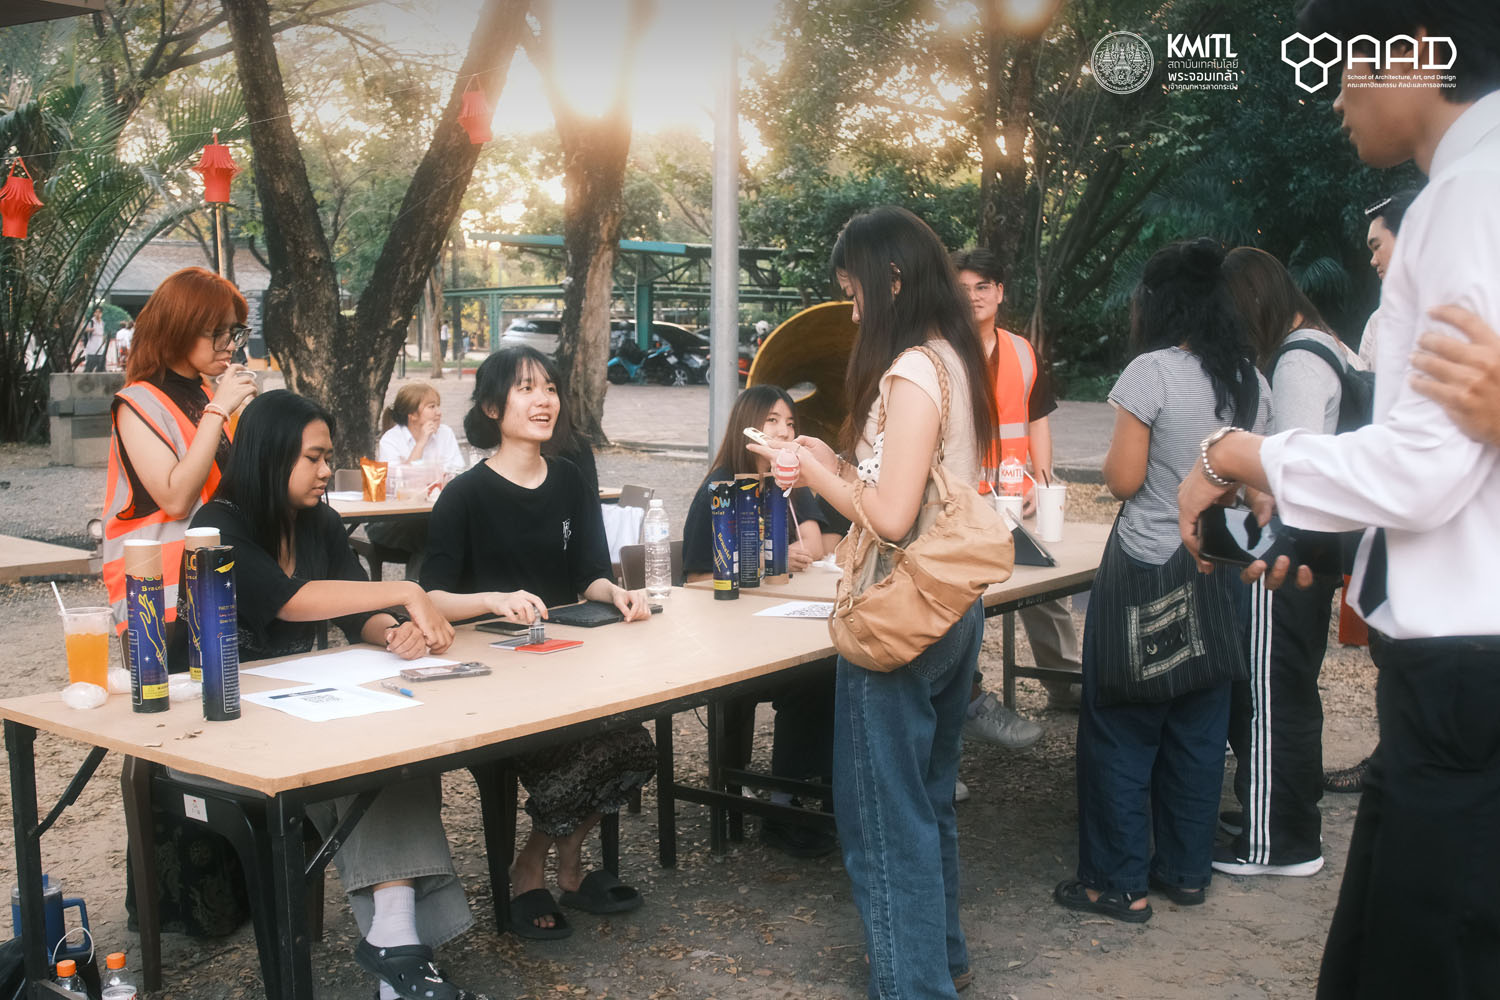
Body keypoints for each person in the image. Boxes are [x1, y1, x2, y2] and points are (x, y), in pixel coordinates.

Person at [1176, 3, 1500, 992]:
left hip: (1464, 677)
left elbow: (1427, 469)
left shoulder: (1466, 197)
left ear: (1418, 51)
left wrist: (1241, 454)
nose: (1333, 97)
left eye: (1343, 61)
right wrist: (1319, 538)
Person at [748, 205, 997, 998]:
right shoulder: (957, 358)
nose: (853, 313)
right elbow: (908, 487)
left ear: (890, 279)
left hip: (898, 609)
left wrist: (812, 472)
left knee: (884, 820)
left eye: (855, 294)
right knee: (928, 800)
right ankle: (942, 959)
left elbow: (889, 516)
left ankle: (914, 984)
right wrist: (832, 459)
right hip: (951, 604)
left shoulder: (912, 371)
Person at [189, 391, 486, 1000]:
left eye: (328, 457)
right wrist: (404, 595)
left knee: (396, 746)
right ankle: (399, 949)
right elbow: (287, 600)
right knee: (363, 758)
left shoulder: (319, 522)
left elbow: (356, 613)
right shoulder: (216, 526)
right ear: (270, 457)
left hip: (300, 704)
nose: (326, 471)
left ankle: (396, 945)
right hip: (219, 717)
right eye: (314, 458)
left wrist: (394, 633)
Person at [1056, 238, 1269, 924]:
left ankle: (1116, 883)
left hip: (1149, 564)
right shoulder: (1249, 379)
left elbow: (1123, 480)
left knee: (1122, 725)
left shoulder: (1151, 372)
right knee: (1199, 725)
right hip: (1221, 568)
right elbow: (1258, 480)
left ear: (1157, 302)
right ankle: (1185, 871)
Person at [421, 347, 656, 941]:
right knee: (590, 754)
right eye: (526, 389)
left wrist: (616, 592)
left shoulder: (570, 479)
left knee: (634, 745)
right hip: (492, 676)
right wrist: (492, 599)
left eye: (549, 387)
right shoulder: (464, 494)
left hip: (565, 661)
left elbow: (588, 573)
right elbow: (428, 598)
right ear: (492, 407)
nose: (544, 400)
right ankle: (538, 868)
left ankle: (552, 863)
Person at [1217, 246, 1356, 877]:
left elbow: (1292, 470)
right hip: (1314, 550)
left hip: (1289, 555)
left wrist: (1236, 474)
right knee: (1288, 691)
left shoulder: (1298, 360)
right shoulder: (1329, 344)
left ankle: (1278, 844)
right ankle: (1276, 816)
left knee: (1272, 698)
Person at [681, 384, 835, 857]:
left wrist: (785, 555)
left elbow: (815, 545)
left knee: (834, 667)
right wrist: (767, 562)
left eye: (790, 422)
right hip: (730, 637)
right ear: (747, 426)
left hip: (780, 623)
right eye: (772, 421)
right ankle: (785, 806)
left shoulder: (786, 480)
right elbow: (695, 578)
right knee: (814, 677)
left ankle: (815, 792)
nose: (784, 431)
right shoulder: (722, 487)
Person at [102, 267, 258, 630]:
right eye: (218, 333)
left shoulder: (206, 394)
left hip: (215, 583)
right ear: (179, 328)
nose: (230, 345)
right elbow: (176, 499)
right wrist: (219, 410)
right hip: (159, 594)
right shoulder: (137, 402)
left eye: (234, 332)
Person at [368, 383, 466, 580]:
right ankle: (420, 591)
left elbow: (457, 473)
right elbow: (398, 482)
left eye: (438, 406)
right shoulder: (391, 439)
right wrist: (421, 443)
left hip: (431, 515)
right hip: (388, 522)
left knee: (445, 530)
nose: (439, 412)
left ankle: (429, 590)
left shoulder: (445, 433)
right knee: (431, 533)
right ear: (412, 414)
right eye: (431, 406)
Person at [1358, 188, 1419, 370]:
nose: (1373, 261)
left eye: (1377, 246)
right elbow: (1365, 381)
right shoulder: (1377, 322)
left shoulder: (1460, 303)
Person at [83, 307, 108, 372]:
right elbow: (83, 329)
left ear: (101, 313)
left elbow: (102, 333)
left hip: (101, 349)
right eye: (96, 312)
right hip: (92, 349)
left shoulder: (102, 322)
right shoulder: (91, 322)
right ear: (94, 313)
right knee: (89, 368)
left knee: (101, 368)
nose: (97, 314)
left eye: (99, 312)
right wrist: (89, 330)